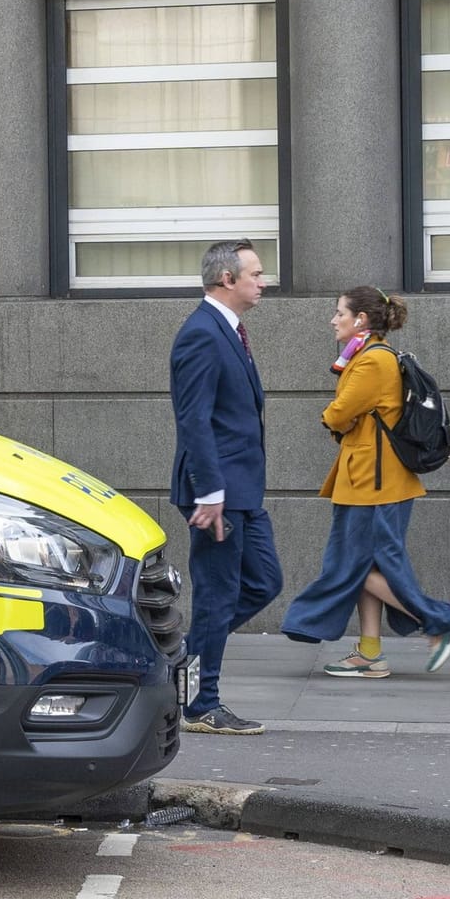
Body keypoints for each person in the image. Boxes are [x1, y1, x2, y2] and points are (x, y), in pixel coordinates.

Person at [280, 287, 450, 676]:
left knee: (355, 565)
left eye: (339, 312)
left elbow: (339, 414)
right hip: (369, 480)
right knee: (362, 565)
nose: (332, 318)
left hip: (375, 483)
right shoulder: (365, 356)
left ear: (360, 319)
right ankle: (370, 652)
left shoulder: (373, 361)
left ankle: (439, 621)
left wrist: (334, 416)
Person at [170, 239, 282, 734]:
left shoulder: (229, 331)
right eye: (256, 274)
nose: (264, 281)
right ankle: (199, 703)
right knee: (216, 597)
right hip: (216, 494)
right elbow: (192, 419)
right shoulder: (201, 333)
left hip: (241, 491)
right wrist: (209, 491)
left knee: (264, 581)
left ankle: (183, 663)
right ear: (227, 280)